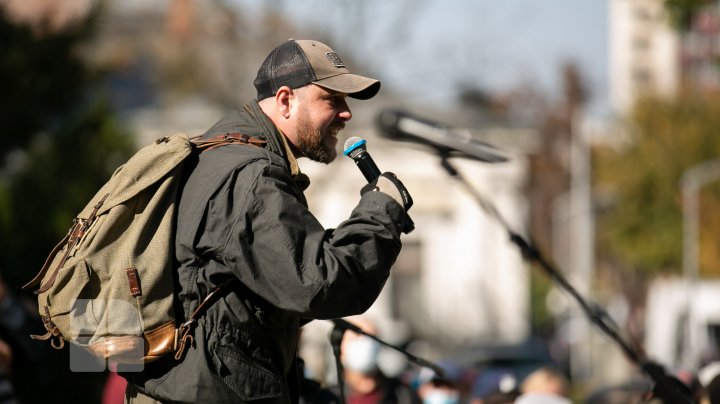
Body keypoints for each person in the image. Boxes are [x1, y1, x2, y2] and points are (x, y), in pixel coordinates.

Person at [123, 38, 413, 404]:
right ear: (286, 100)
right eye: (332, 99)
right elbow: (320, 284)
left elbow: (265, 296)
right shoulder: (252, 179)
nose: (346, 113)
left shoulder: (220, 154)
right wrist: (381, 210)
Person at [333, 316, 420, 404]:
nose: (366, 344)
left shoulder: (403, 394)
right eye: (357, 336)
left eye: (371, 337)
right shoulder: (330, 397)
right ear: (340, 349)